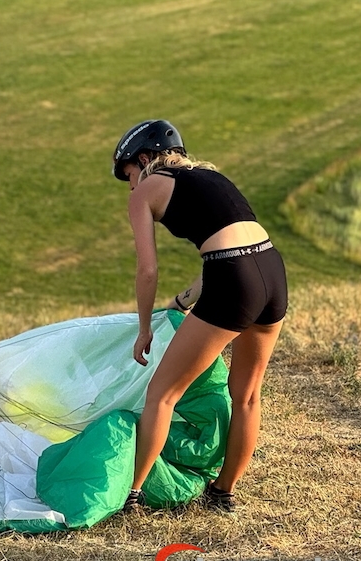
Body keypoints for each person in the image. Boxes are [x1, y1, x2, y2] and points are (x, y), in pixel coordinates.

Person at [113, 120, 288, 513]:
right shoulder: (212, 176)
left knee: (162, 394)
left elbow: (147, 270)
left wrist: (144, 329)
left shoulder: (146, 191)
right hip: (272, 270)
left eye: (127, 175)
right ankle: (223, 493)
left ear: (143, 159)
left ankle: (133, 496)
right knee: (246, 396)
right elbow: (233, 251)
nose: (130, 186)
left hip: (232, 278)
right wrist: (183, 300)